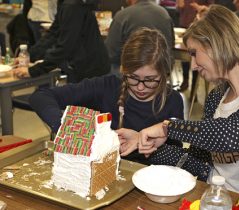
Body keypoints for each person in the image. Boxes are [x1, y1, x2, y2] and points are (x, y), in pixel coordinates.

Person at [128, 5, 239, 202]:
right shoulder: (215, 99)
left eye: (194, 53)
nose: (193, 66)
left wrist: (167, 128)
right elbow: (195, 163)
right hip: (215, 200)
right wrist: (145, 143)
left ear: (217, 43)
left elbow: (232, 134)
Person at [29, 28, 210, 180]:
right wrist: (66, 124)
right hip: (103, 178)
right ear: (124, 70)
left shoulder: (173, 101)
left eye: (150, 80)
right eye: (133, 78)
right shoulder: (106, 87)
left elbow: (175, 160)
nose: (140, 87)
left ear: (164, 74)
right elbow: (41, 96)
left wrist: (146, 143)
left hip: (150, 181)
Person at [12, 0, 110, 83]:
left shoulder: (72, 6)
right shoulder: (65, 3)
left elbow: (65, 47)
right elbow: (53, 34)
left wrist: (33, 71)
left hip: (90, 69)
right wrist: (29, 56)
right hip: (84, 65)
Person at [105, 0, 175, 77]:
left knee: (110, 65)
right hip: (162, 71)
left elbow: (110, 52)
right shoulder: (164, 13)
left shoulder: (123, 15)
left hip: (132, 73)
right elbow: (171, 44)